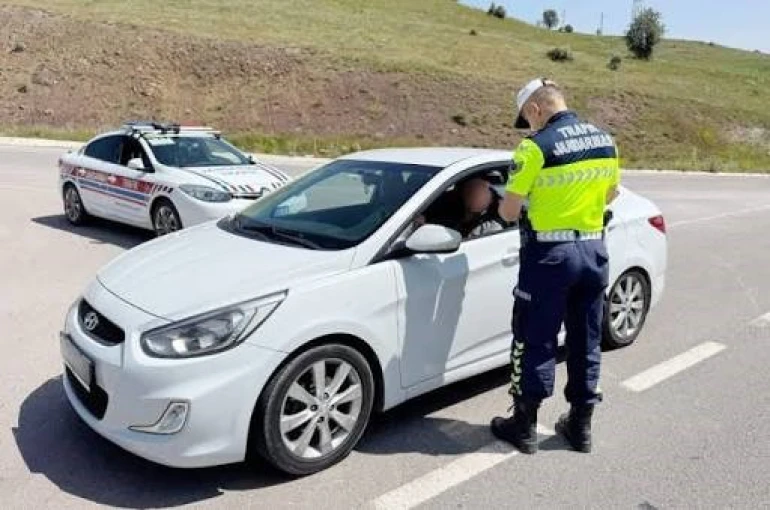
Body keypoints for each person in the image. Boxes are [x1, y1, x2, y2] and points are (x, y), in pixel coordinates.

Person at [490, 78, 621, 455]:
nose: (527, 126)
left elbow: (510, 210)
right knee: (586, 340)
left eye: (526, 119)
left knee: (535, 338)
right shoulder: (604, 140)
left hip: (549, 257)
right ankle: (580, 427)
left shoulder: (534, 148)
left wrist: (529, 203)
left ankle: (525, 426)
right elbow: (611, 192)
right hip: (594, 251)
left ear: (535, 109)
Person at [414, 177, 509, 239]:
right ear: (462, 191)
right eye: (470, 190)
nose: (476, 195)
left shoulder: (493, 225)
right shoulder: (446, 208)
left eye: (481, 191)